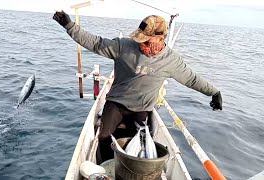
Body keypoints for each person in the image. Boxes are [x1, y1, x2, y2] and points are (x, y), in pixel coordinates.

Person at [53, 11, 223, 161]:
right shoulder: (123, 46)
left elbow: (192, 79)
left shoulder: (171, 61)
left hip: (142, 108)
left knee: (141, 145)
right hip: (116, 103)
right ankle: (107, 167)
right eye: (141, 40)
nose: (142, 44)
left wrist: (214, 92)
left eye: (147, 41)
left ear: (161, 38)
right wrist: (70, 26)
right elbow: (95, 43)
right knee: (103, 137)